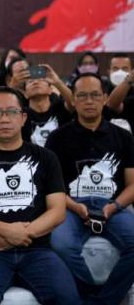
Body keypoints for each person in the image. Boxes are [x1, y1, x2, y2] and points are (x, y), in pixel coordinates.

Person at [0, 86, 79, 304]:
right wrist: (7, 231)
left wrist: (21, 235)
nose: (4, 119)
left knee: (67, 297)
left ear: (23, 118)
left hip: (37, 250)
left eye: (12, 112)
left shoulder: (46, 158)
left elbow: (58, 211)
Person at [46, 73, 134, 303]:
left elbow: (133, 184)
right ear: (73, 100)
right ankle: (88, 294)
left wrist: (114, 207)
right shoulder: (57, 138)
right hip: (70, 206)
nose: (89, 101)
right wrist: (74, 207)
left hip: (112, 206)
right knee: (60, 244)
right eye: (82, 96)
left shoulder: (123, 137)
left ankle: (105, 300)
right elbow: (52, 186)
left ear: (105, 98)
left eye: (95, 95)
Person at [24, 64, 74, 146]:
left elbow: (74, 103)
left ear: (50, 90)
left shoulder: (60, 108)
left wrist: (57, 82)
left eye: (41, 79)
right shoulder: (22, 115)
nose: (35, 82)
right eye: (30, 81)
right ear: (25, 94)